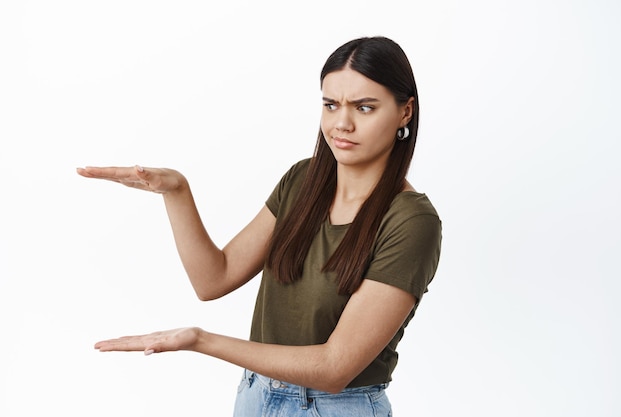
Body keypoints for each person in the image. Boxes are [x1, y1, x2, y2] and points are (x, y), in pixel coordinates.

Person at [77, 36, 442, 416]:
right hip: (256, 396)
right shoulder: (303, 181)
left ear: (405, 112)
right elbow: (213, 279)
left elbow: (335, 368)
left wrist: (201, 340)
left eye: (365, 108)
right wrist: (176, 191)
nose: (342, 123)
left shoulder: (411, 222)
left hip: (337, 407)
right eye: (331, 105)